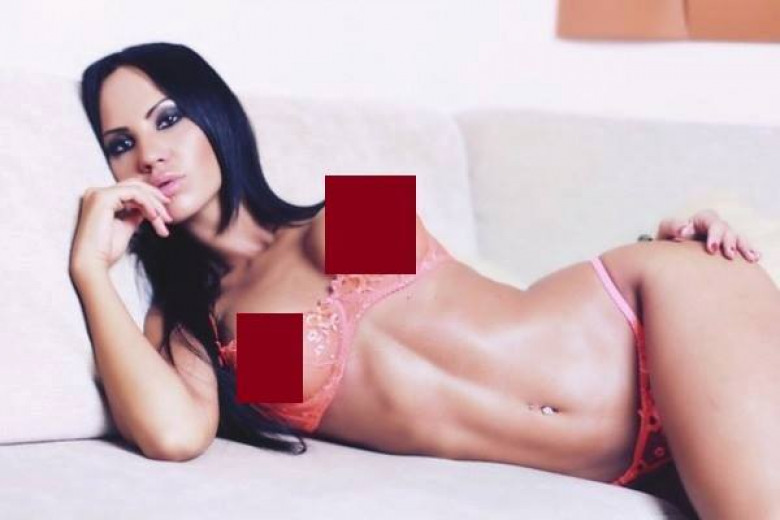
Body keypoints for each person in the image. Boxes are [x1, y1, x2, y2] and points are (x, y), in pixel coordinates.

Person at [69, 42, 778, 520]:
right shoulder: (199, 320)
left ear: (215, 118)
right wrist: (89, 270)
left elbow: (488, 301)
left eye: (169, 120)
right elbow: (172, 433)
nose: (151, 155)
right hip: (622, 462)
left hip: (653, 316)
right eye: (121, 144)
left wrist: (668, 237)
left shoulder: (344, 212)